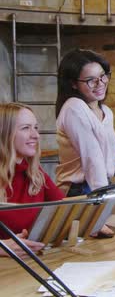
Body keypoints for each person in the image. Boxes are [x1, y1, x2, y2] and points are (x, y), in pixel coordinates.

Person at [55, 49, 115, 196]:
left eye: (102, 76)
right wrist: (104, 197)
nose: (100, 83)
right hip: (79, 189)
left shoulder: (105, 111)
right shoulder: (74, 107)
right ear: (73, 84)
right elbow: (91, 158)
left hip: (99, 185)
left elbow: (104, 159)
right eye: (90, 80)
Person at [0, 103, 64, 257]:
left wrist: (91, 221)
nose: (35, 135)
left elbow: (64, 209)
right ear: (4, 134)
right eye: (25, 128)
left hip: (30, 264)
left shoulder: (35, 173)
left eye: (35, 127)